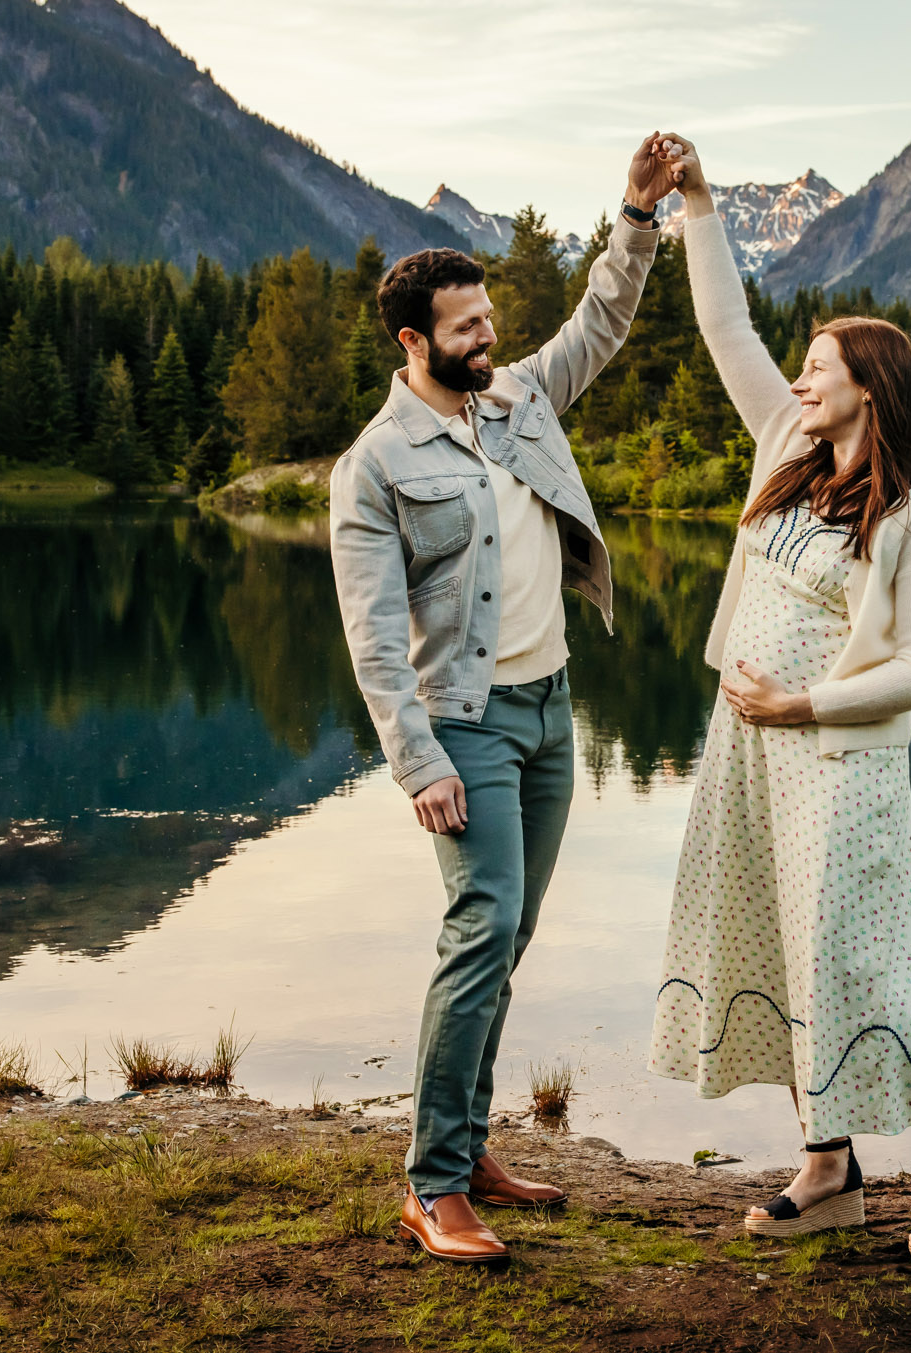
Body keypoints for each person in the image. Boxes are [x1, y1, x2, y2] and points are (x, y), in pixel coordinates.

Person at [646, 142, 911, 1261]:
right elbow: (724, 329)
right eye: (799, 364)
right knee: (777, 947)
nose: (800, 378)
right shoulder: (785, 449)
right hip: (747, 749)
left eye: (819, 365)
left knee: (858, 958)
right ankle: (830, 1163)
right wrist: (697, 204)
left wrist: (806, 702)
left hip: (836, 760)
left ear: (871, 385)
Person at [330, 133, 685, 1266]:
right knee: (480, 925)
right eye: (468, 326)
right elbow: (375, 637)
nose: (490, 337)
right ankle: (432, 1184)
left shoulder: (520, 397)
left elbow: (602, 321)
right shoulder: (374, 466)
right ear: (413, 339)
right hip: (466, 725)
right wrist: (418, 760)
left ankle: (469, 1144)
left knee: (512, 929)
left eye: (490, 318)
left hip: (550, 712)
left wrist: (635, 215)